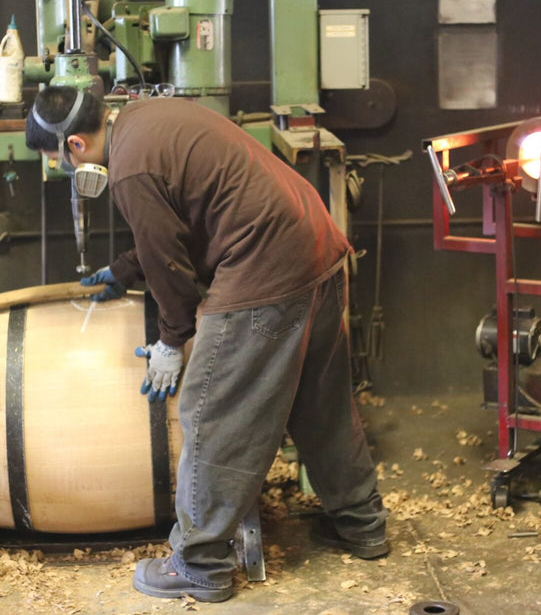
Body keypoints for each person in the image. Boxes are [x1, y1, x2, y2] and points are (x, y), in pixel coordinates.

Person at [25, 86, 388, 603]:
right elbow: (188, 218)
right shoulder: (145, 117)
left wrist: (172, 341)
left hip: (265, 267)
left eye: (52, 158)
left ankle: (200, 564)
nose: (59, 167)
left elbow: (171, 266)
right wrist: (125, 269)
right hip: (316, 246)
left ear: (74, 146)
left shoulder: (128, 169)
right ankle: (362, 525)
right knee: (320, 403)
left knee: (210, 409)